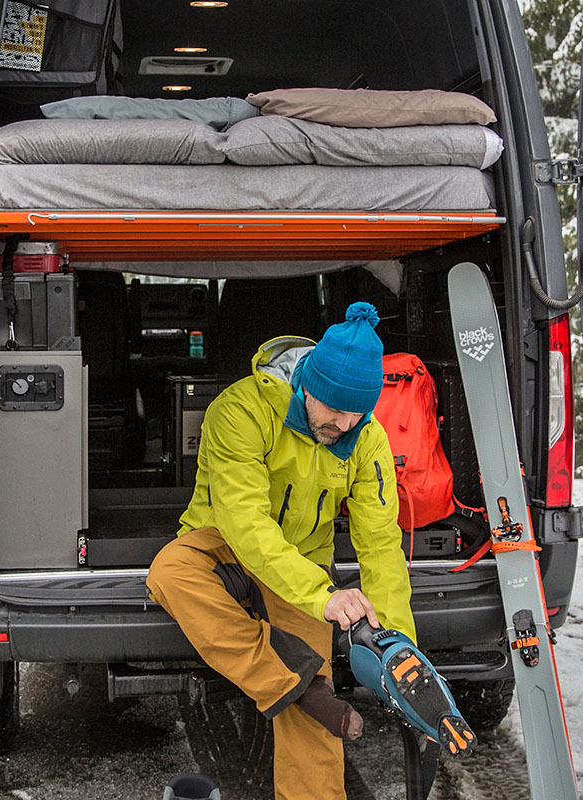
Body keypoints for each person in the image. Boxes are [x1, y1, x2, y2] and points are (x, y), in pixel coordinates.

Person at [147, 301, 415, 800]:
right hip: (226, 545)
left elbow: (380, 543)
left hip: (303, 564)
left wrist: (397, 644)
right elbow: (245, 523)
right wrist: (325, 597)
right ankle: (300, 684)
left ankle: (305, 690)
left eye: (355, 414)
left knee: (314, 716)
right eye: (331, 409)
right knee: (170, 571)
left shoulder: (365, 436)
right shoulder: (240, 410)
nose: (341, 424)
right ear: (306, 384)